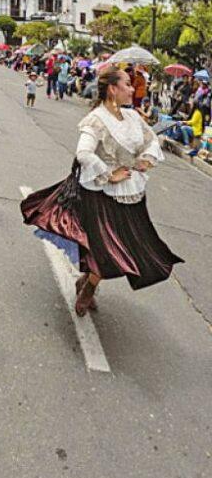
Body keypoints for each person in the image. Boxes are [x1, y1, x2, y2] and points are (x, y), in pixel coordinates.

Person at [21, 67, 182, 316]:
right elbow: (83, 153)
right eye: (127, 84)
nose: (133, 88)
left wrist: (145, 160)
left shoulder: (133, 116)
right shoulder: (96, 119)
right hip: (101, 193)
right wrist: (110, 174)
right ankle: (88, 289)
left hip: (131, 192)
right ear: (112, 89)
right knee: (108, 250)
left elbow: (151, 140)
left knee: (125, 248)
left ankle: (87, 281)